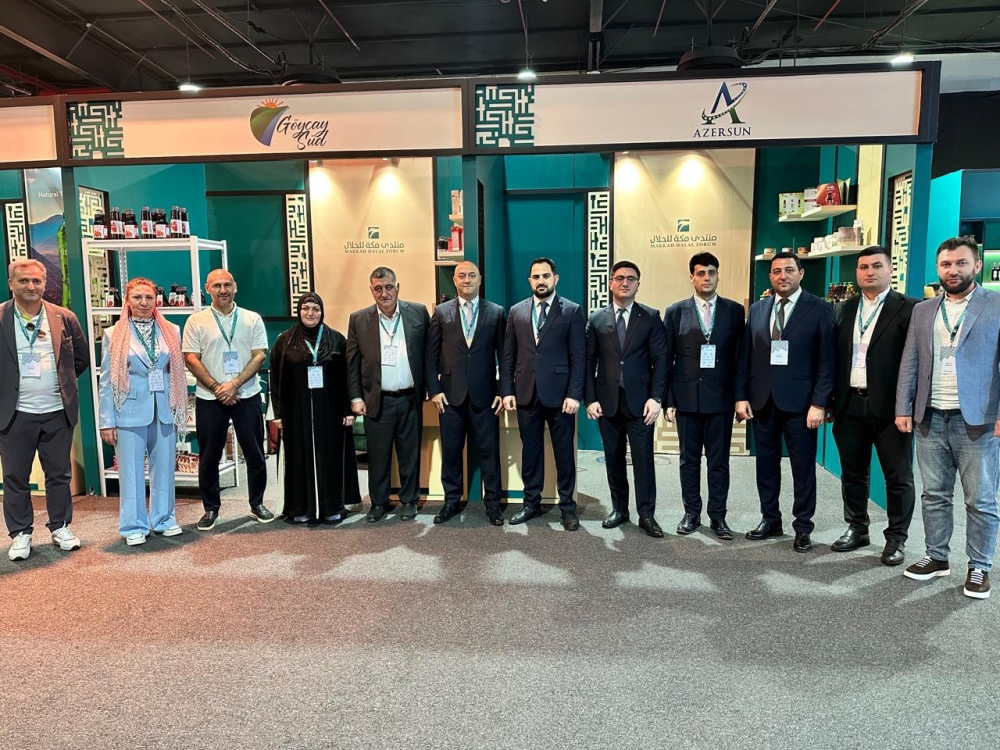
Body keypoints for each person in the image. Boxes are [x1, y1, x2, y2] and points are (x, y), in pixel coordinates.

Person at [896, 236, 1000, 599]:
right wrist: (903, 408)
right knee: (934, 494)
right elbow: (910, 361)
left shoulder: (995, 304)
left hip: (978, 420)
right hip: (930, 417)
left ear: (976, 266)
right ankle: (937, 556)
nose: (952, 270)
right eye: (945, 264)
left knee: (980, 499)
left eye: (960, 263)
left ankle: (979, 565)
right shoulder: (924, 310)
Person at [736, 251, 836, 553]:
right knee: (765, 465)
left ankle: (803, 526)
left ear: (801, 274)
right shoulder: (758, 309)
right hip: (763, 401)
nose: (783, 276)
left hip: (801, 405)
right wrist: (741, 396)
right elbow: (745, 356)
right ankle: (770, 519)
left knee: (802, 468)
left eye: (789, 270)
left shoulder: (819, 308)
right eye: (777, 271)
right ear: (770, 276)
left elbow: (827, 361)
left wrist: (820, 403)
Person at [830, 247, 917, 565]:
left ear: (890, 270)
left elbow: (916, 362)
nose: (870, 272)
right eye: (863, 267)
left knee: (898, 476)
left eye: (877, 266)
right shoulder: (844, 308)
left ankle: (896, 538)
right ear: (856, 273)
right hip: (849, 403)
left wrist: (908, 406)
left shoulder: (910, 308)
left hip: (892, 409)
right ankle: (857, 528)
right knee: (853, 473)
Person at [1, 259, 90, 561]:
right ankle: (20, 533)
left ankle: (60, 526)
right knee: (15, 477)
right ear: (11, 283)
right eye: (23, 281)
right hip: (14, 415)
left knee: (59, 475)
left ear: (44, 283)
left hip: (57, 412)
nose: (31, 286)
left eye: (36, 281)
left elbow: (80, 359)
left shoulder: (65, 317)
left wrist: (62, 385)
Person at [182, 269, 273, 530]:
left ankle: (257, 503)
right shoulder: (196, 321)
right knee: (209, 457)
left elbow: (260, 355)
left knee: (255, 454)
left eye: (227, 285)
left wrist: (234, 385)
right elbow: (190, 358)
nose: (223, 290)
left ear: (235, 287)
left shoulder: (251, 319)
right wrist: (217, 387)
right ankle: (211, 508)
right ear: (207, 289)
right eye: (217, 286)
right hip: (210, 397)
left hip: (247, 394)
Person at [663, 252, 745, 540]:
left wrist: (740, 397)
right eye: (701, 273)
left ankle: (718, 516)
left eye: (711, 272)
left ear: (718, 275)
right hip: (687, 397)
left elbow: (741, 359)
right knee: (689, 461)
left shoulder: (734, 311)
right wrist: (668, 399)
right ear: (692, 277)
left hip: (721, 398)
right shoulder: (675, 311)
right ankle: (691, 513)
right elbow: (666, 359)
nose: (706, 278)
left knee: (718, 462)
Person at [98, 277, 187, 545]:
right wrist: (106, 421)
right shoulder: (114, 333)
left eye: (149, 297)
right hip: (128, 409)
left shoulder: (171, 330)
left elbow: (176, 372)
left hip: (165, 409)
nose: (144, 303)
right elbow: (106, 380)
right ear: (127, 301)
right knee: (131, 471)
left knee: (165, 469)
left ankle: (164, 519)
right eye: (137, 297)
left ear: (156, 300)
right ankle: (133, 525)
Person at [501, 257, 585, 531]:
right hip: (526, 394)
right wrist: (507, 390)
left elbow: (579, 358)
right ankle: (530, 503)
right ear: (530, 281)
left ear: (555, 279)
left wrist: (574, 394)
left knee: (564, 455)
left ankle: (568, 508)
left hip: (561, 398)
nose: (541, 281)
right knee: (531, 453)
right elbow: (508, 355)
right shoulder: (516, 311)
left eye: (546, 276)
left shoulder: (572, 310)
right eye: (536, 276)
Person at [585, 260, 667, 537]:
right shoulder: (596, 318)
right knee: (613, 458)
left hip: (641, 403)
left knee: (643, 460)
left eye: (631, 279)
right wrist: (590, 399)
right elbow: (588, 361)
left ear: (638, 285)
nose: (625, 282)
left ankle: (647, 515)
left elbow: (661, 360)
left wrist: (656, 398)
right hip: (607, 402)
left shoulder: (651, 316)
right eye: (619, 278)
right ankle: (620, 509)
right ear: (610, 283)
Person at [426, 261, 507, 526]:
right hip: (450, 397)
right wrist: (434, 390)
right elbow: (430, 356)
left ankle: (493, 503)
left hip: (486, 397)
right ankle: (451, 501)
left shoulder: (496, 312)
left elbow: (505, 356)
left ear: (480, 279)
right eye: (462, 275)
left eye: (472, 275)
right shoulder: (441, 312)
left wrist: (504, 389)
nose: (467, 279)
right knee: (451, 452)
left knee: (489, 452)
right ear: (455, 280)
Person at [347, 267, 430, 523]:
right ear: (371, 290)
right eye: (378, 288)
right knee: (378, 456)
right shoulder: (359, 319)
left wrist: (430, 388)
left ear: (397, 287)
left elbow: (430, 353)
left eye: (389, 287)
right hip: (377, 400)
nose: (384, 293)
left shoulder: (418, 312)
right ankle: (379, 503)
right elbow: (352, 363)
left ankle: (409, 501)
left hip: (410, 399)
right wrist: (355, 397)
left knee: (409, 455)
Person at [270, 293, 361, 525]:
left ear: (322, 312)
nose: (310, 313)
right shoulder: (284, 341)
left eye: (316, 309)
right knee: (298, 458)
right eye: (306, 308)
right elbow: (276, 378)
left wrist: (348, 410)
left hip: (330, 411)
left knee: (329, 457)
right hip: (296, 412)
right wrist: (278, 413)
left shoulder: (336, 339)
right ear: (299, 311)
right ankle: (300, 507)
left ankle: (332, 506)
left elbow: (348, 376)